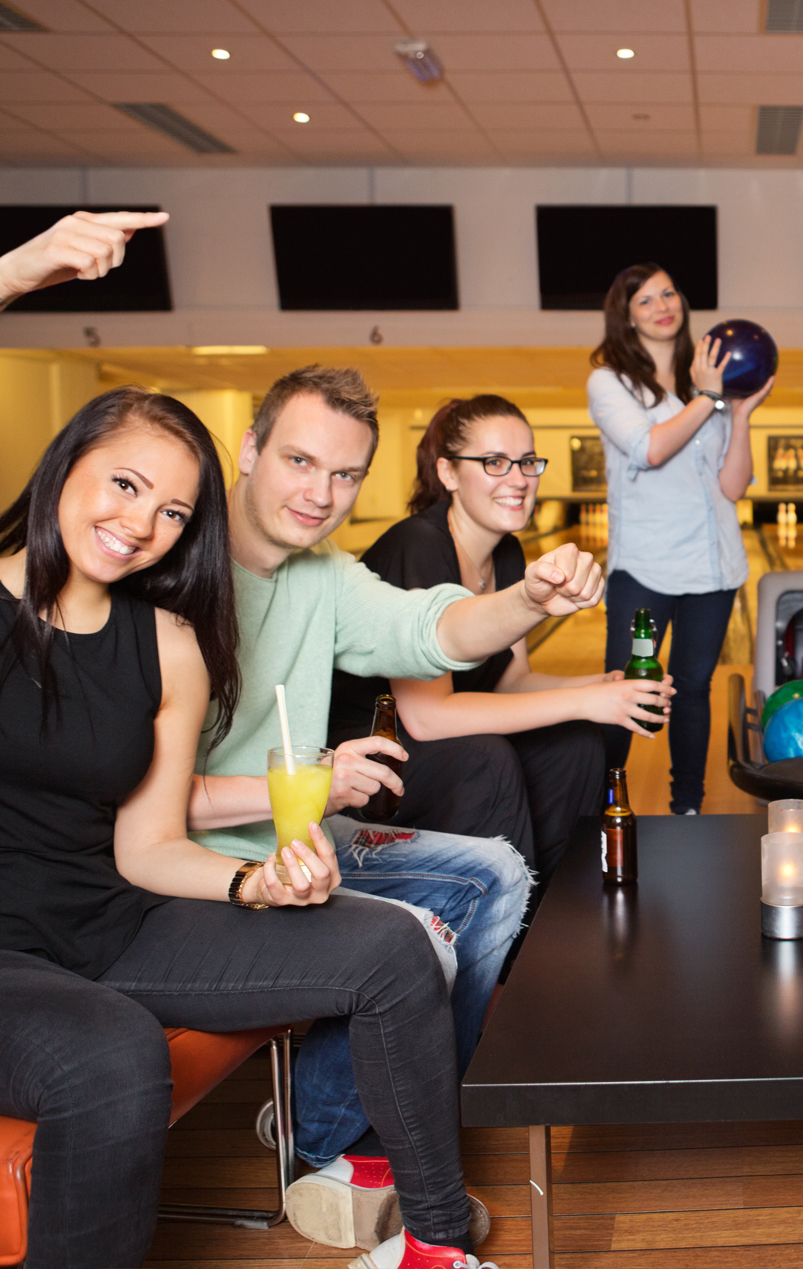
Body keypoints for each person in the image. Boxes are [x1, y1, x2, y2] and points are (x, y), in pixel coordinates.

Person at [0, 211, 489, 1269]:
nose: (141, 522)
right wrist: (3, 281)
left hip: (109, 929)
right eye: (124, 484)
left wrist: (260, 889)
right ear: (67, 467)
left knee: (390, 947)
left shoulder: (166, 645)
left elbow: (145, 850)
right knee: (108, 1054)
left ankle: (434, 1241)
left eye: (171, 509)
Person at [188, 364, 604, 1249]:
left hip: (310, 826)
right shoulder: (177, 572)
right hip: (210, 861)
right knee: (423, 923)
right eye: (300, 461)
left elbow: (430, 630)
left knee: (493, 869)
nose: (321, 493)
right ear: (250, 449)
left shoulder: (323, 573)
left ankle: (345, 1115)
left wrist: (527, 598)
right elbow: (146, 807)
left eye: (344, 476)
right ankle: (371, 1132)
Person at [328, 393, 672, 889]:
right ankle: (500, 928)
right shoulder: (418, 547)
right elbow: (428, 718)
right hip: (371, 755)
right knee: (488, 757)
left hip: (433, 743)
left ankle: (555, 910)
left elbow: (513, 680)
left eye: (527, 462)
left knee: (576, 743)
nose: (518, 479)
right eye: (494, 463)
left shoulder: (508, 552)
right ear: (448, 473)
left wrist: (605, 685)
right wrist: (587, 700)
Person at [587, 262, 772, 814]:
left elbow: (733, 485)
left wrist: (740, 416)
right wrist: (710, 400)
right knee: (625, 688)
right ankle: (601, 805)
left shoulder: (707, 390)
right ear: (625, 316)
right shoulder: (609, 382)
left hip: (714, 569)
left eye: (668, 292)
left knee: (693, 689)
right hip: (644, 568)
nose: (662, 305)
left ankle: (687, 806)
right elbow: (650, 448)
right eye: (644, 300)